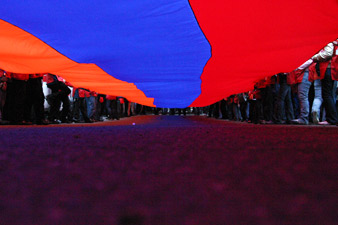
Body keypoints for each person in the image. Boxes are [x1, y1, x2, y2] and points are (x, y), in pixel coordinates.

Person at [312, 42, 338, 125]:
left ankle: (332, 119)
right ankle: (331, 118)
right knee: (329, 95)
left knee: (327, 95)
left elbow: (327, 53)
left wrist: (314, 57)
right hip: (331, 69)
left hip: (328, 69)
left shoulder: (329, 41)